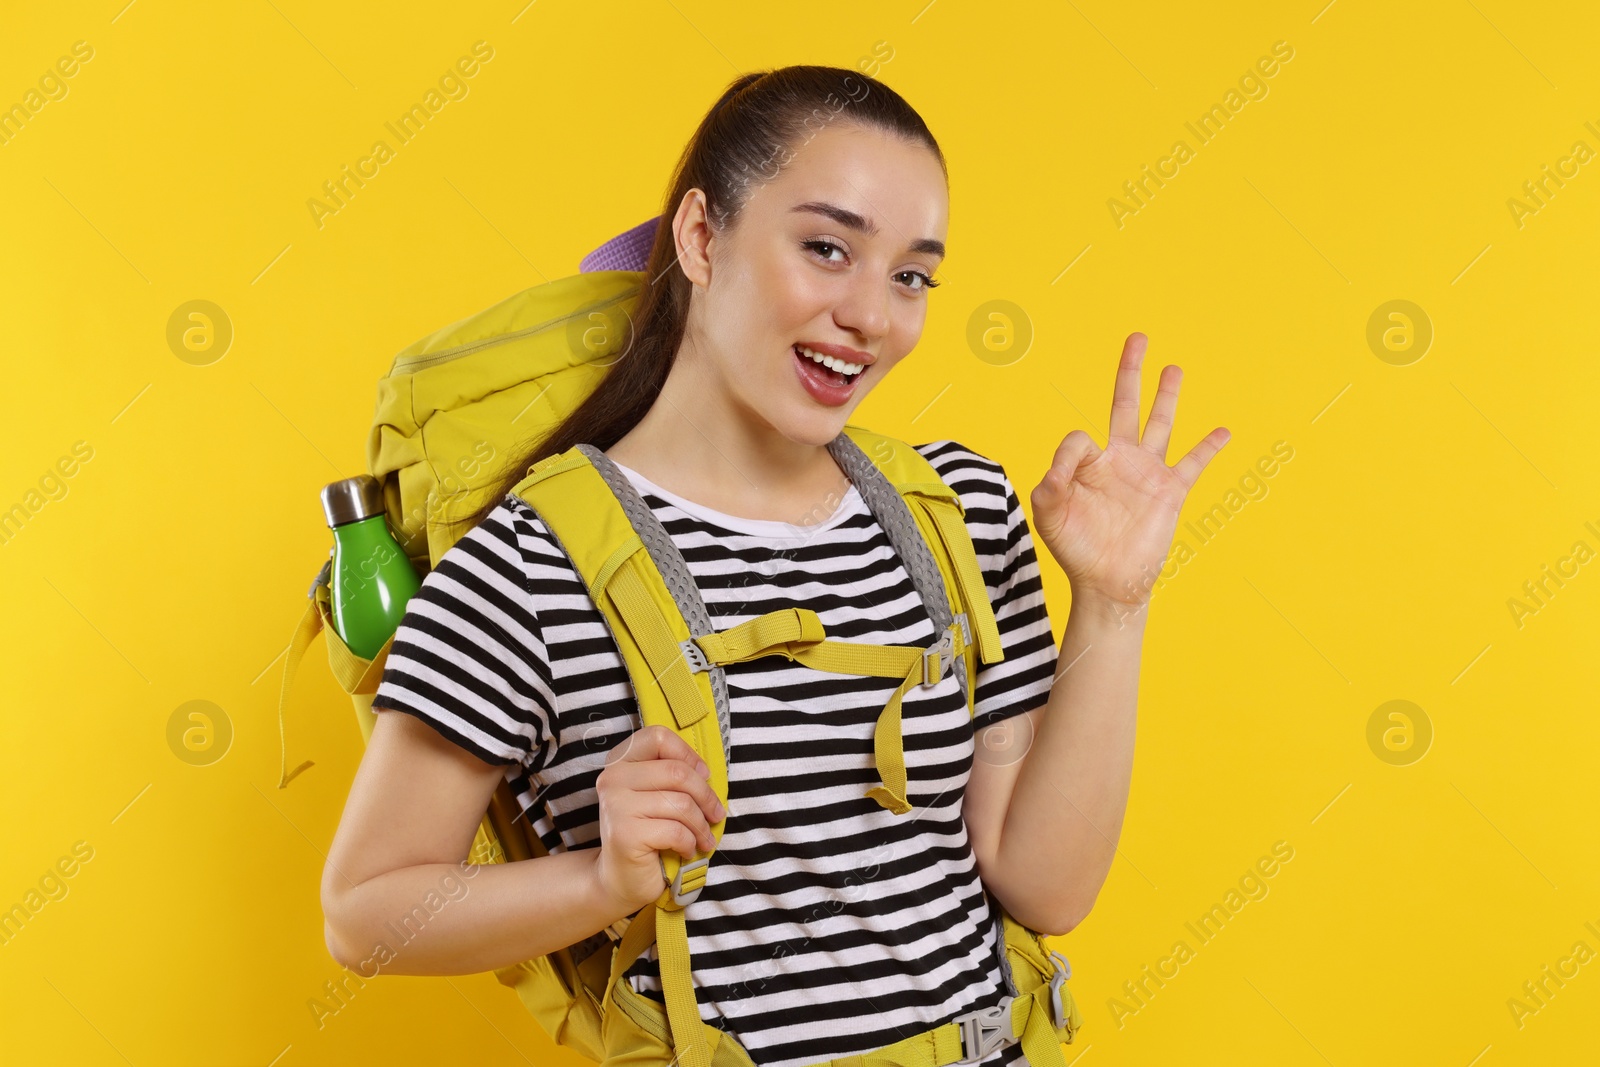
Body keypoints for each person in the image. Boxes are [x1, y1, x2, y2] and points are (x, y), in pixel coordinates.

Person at [320, 64, 1229, 1067]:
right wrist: (600, 880)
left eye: (910, 275)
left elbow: (1044, 884)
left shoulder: (957, 512)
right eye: (826, 248)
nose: (871, 316)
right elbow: (365, 912)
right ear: (702, 236)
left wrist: (1110, 601)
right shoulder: (532, 566)